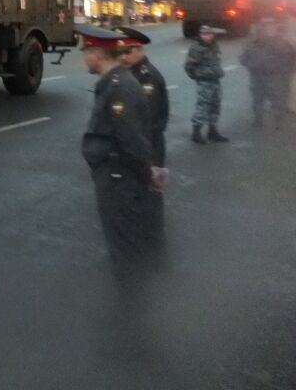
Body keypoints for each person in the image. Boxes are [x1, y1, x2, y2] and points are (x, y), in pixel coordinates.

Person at [78, 25, 165, 297]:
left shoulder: (120, 88)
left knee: (123, 243)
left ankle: (133, 306)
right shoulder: (115, 82)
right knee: (124, 239)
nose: (83, 57)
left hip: (119, 178)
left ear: (98, 54)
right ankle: (134, 296)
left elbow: (132, 140)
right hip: (116, 174)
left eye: (86, 51)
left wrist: (146, 173)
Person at [116, 26, 168, 251]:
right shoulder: (128, 73)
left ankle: (152, 236)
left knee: (149, 191)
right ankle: (139, 231)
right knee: (134, 190)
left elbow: (150, 121)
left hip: (147, 146)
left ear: (140, 49)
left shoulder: (148, 79)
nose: (124, 57)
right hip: (135, 146)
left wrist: (142, 154)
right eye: (121, 52)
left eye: (129, 51)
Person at [241, 19, 295, 130]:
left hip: (273, 76)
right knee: (258, 99)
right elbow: (243, 58)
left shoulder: (279, 43)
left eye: (268, 26)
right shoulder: (251, 44)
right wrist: (251, 65)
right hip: (257, 76)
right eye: (263, 26)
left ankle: (278, 121)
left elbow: (287, 58)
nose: (265, 29)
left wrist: (276, 68)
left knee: (276, 99)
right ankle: (258, 120)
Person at [184, 25, 227, 144]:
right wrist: (200, 76)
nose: (206, 36)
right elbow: (189, 67)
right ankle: (196, 132)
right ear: (200, 35)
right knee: (203, 106)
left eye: (208, 34)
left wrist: (217, 72)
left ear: (213, 35)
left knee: (215, 105)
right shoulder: (196, 48)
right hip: (205, 82)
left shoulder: (214, 46)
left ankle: (212, 131)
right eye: (204, 34)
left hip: (215, 80)